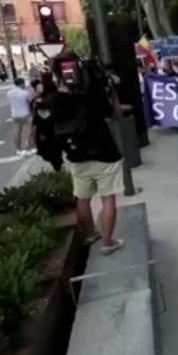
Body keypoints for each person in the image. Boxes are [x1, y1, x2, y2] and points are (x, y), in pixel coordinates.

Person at [49, 52, 126, 256]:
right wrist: (112, 92)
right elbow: (116, 115)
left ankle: (91, 234)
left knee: (82, 199)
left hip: (76, 155)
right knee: (108, 198)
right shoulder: (93, 94)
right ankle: (108, 242)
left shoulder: (54, 99)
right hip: (104, 153)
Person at [32, 73, 64, 171]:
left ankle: (58, 168)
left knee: (52, 152)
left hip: (49, 132)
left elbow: (39, 120)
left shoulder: (42, 102)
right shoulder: (59, 96)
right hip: (58, 129)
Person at [7, 78, 36, 157]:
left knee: (16, 132)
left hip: (15, 115)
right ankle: (27, 149)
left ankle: (18, 149)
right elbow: (30, 101)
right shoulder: (25, 93)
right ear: (22, 84)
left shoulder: (9, 93)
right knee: (27, 132)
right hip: (25, 114)